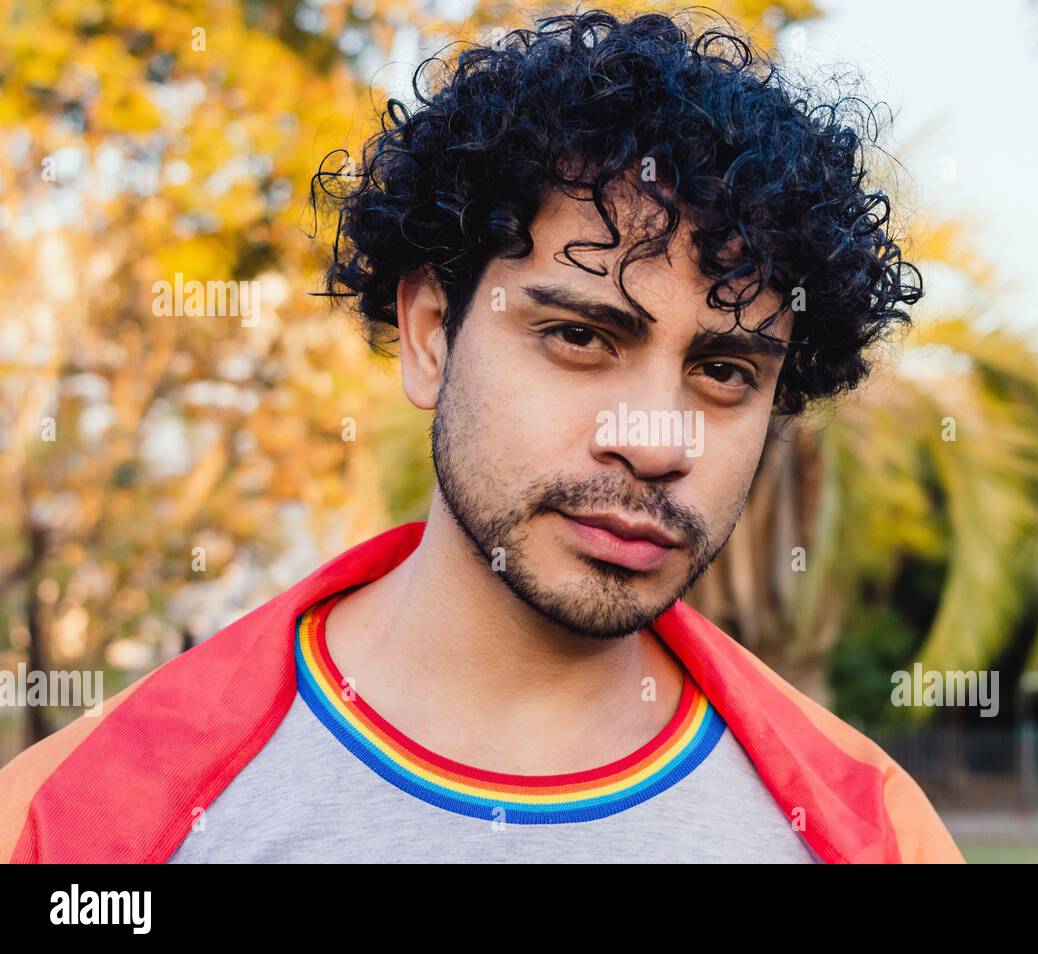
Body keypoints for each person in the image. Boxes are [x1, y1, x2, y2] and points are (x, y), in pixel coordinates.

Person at [0, 9, 962, 864]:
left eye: (724, 372)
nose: (657, 442)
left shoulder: (870, 831)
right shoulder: (82, 819)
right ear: (429, 333)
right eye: (580, 336)